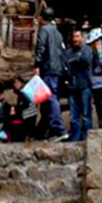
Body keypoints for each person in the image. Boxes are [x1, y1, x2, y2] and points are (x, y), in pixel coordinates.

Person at [32, 8, 67, 140]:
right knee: (48, 101)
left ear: (42, 17)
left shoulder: (44, 30)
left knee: (50, 98)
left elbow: (40, 49)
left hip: (48, 68)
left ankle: (60, 129)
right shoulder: (58, 33)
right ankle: (44, 133)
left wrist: (37, 65)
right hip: (57, 69)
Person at [64, 29, 93, 142]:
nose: (75, 39)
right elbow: (65, 65)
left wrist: (76, 60)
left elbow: (85, 61)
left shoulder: (87, 50)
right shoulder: (68, 52)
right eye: (74, 37)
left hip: (85, 85)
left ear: (82, 38)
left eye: (77, 37)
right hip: (72, 87)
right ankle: (75, 139)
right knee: (74, 116)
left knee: (86, 115)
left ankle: (87, 138)